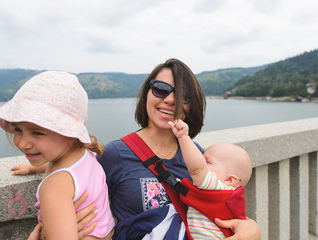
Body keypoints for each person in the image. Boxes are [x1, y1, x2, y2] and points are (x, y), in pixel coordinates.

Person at [14, 59, 261, 239]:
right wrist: (37, 166)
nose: (170, 99)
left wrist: (252, 229)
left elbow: (222, 200)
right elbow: (81, 168)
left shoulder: (197, 155)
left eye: (183, 96)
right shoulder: (117, 153)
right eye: (161, 89)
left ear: (191, 106)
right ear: (147, 95)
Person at [0, 71, 115, 240]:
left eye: (37, 133)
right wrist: (31, 168)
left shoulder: (53, 187)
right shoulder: (83, 155)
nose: (22, 144)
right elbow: (58, 166)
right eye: (18, 130)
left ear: (69, 134)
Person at [169, 119, 252, 239]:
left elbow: (197, 169)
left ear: (229, 180)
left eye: (207, 162)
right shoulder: (230, 196)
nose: (202, 163)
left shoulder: (218, 188)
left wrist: (183, 138)